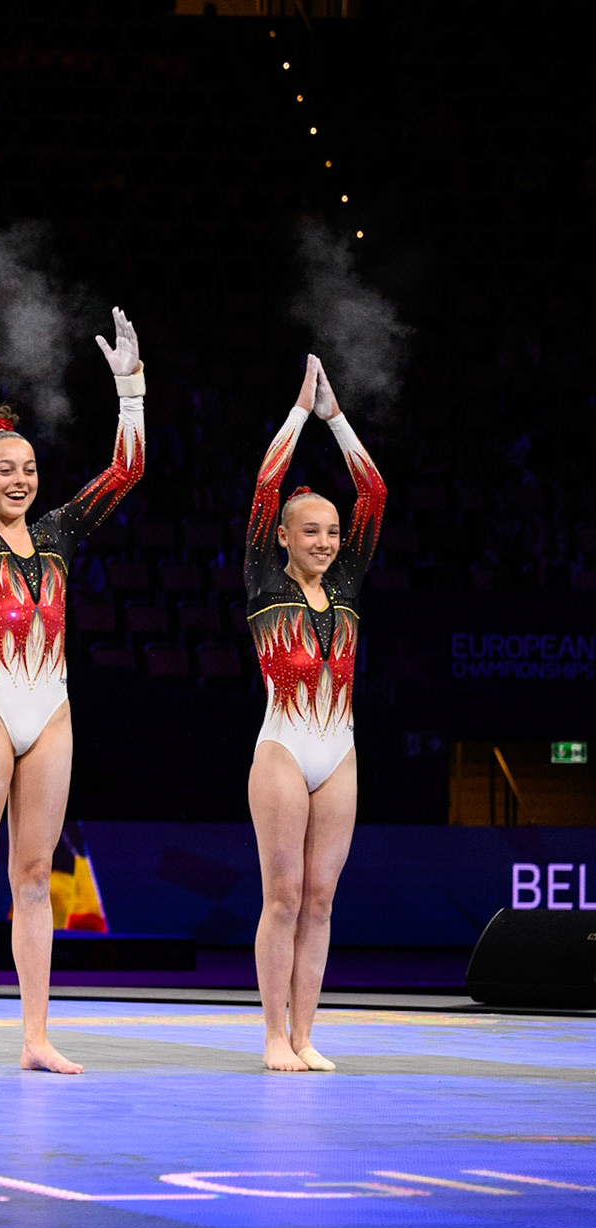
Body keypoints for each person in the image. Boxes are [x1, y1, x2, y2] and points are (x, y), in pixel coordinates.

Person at [0, 292, 145, 1075]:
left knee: (34, 880)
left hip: (51, 712)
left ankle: (36, 1038)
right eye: (5, 470)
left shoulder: (56, 533)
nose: (20, 480)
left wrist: (131, 388)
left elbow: (127, 470)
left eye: (30, 469)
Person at [246, 355, 385, 1072]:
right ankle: (273, 1035)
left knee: (323, 900)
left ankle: (306, 1035)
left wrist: (338, 417)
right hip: (282, 750)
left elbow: (375, 491)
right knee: (286, 894)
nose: (326, 542)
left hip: (340, 753)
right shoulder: (265, 581)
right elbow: (268, 485)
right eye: (310, 532)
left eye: (332, 532)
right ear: (282, 537)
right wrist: (302, 413)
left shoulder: (350, 584)